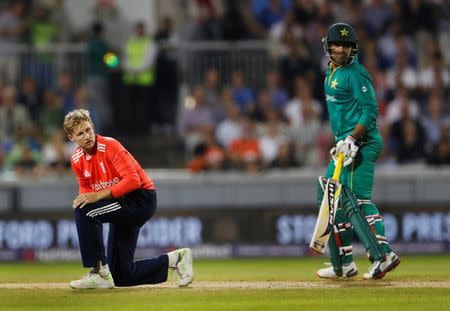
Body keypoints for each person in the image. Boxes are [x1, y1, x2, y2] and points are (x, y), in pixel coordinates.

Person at [63, 109, 193, 289]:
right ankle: (177, 259)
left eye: (88, 130)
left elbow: (133, 181)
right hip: (120, 203)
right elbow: (86, 191)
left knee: (84, 211)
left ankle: (99, 272)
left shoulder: (110, 146)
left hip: (141, 199)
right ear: (71, 138)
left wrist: (97, 196)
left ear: (93, 127)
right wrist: (86, 197)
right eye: (80, 133)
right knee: (121, 275)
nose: (86, 136)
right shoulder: (77, 160)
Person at [315, 23, 400, 280]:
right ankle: (344, 264)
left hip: (361, 144)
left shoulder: (355, 73)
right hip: (345, 146)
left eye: (346, 46)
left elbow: (371, 110)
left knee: (358, 201)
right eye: (336, 45)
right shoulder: (330, 72)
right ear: (328, 46)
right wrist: (343, 140)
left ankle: (383, 255)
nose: (341, 50)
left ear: (353, 49)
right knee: (329, 198)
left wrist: (352, 138)